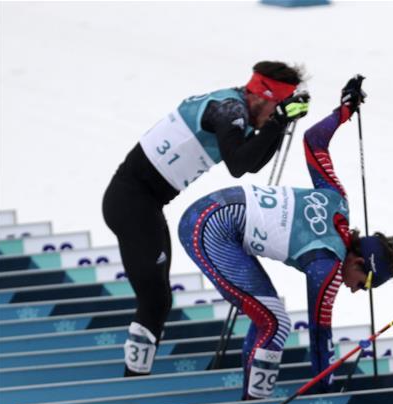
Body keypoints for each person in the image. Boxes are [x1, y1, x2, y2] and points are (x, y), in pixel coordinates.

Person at [177, 77, 393, 400]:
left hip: (211, 216)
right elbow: (320, 331)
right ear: (360, 261)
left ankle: (250, 397)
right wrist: (324, 390)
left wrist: (345, 110)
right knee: (275, 322)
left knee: (268, 313)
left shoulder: (337, 200)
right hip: (212, 226)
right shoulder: (327, 264)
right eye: (364, 283)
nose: (355, 289)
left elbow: (313, 141)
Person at [103, 61, 310, 376]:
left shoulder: (237, 107)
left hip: (143, 204)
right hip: (131, 203)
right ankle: (132, 378)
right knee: (155, 299)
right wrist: (275, 123)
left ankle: (135, 373)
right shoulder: (229, 110)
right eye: (276, 107)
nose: (272, 115)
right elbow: (239, 164)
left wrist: (278, 124)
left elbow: (253, 161)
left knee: (158, 298)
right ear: (264, 97)